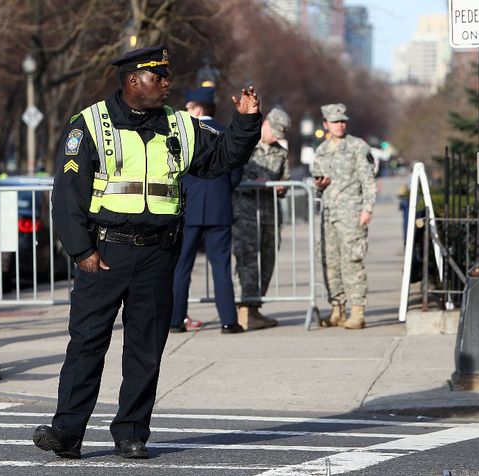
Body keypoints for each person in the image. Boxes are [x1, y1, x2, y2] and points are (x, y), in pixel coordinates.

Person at [32, 45, 262, 460]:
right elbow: (66, 196)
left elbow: (221, 159)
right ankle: (67, 431)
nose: (167, 85)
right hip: (103, 253)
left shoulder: (180, 125)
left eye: (166, 77)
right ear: (134, 81)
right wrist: (82, 250)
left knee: (145, 349)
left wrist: (245, 122)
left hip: (158, 254)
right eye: (159, 78)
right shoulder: (88, 125)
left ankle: (131, 433)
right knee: (86, 345)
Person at [170, 86, 241, 334]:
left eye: (188, 108)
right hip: (219, 208)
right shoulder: (226, 133)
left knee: (182, 267)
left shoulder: (183, 134)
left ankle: (176, 320)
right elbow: (236, 171)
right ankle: (228, 321)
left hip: (188, 207)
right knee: (221, 267)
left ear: (197, 108)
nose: (185, 111)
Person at [312, 103, 376, 330]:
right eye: (335, 121)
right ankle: (337, 308)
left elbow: (368, 180)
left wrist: (367, 209)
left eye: (342, 121)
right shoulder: (322, 150)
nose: (340, 125)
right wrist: (319, 185)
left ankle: (357, 310)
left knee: (352, 261)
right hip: (329, 213)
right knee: (330, 262)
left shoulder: (357, 147)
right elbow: (316, 183)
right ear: (326, 124)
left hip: (351, 212)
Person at [232, 108, 290, 330]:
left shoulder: (280, 153)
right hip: (246, 213)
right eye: (274, 132)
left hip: (269, 214)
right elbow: (235, 174)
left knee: (267, 261)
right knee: (247, 261)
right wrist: (252, 180)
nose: (275, 137)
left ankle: (255, 309)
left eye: (279, 135)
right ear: (265, 124)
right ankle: (243, 308)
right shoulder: (247, 146)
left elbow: (285, 178)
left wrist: (282, 187)